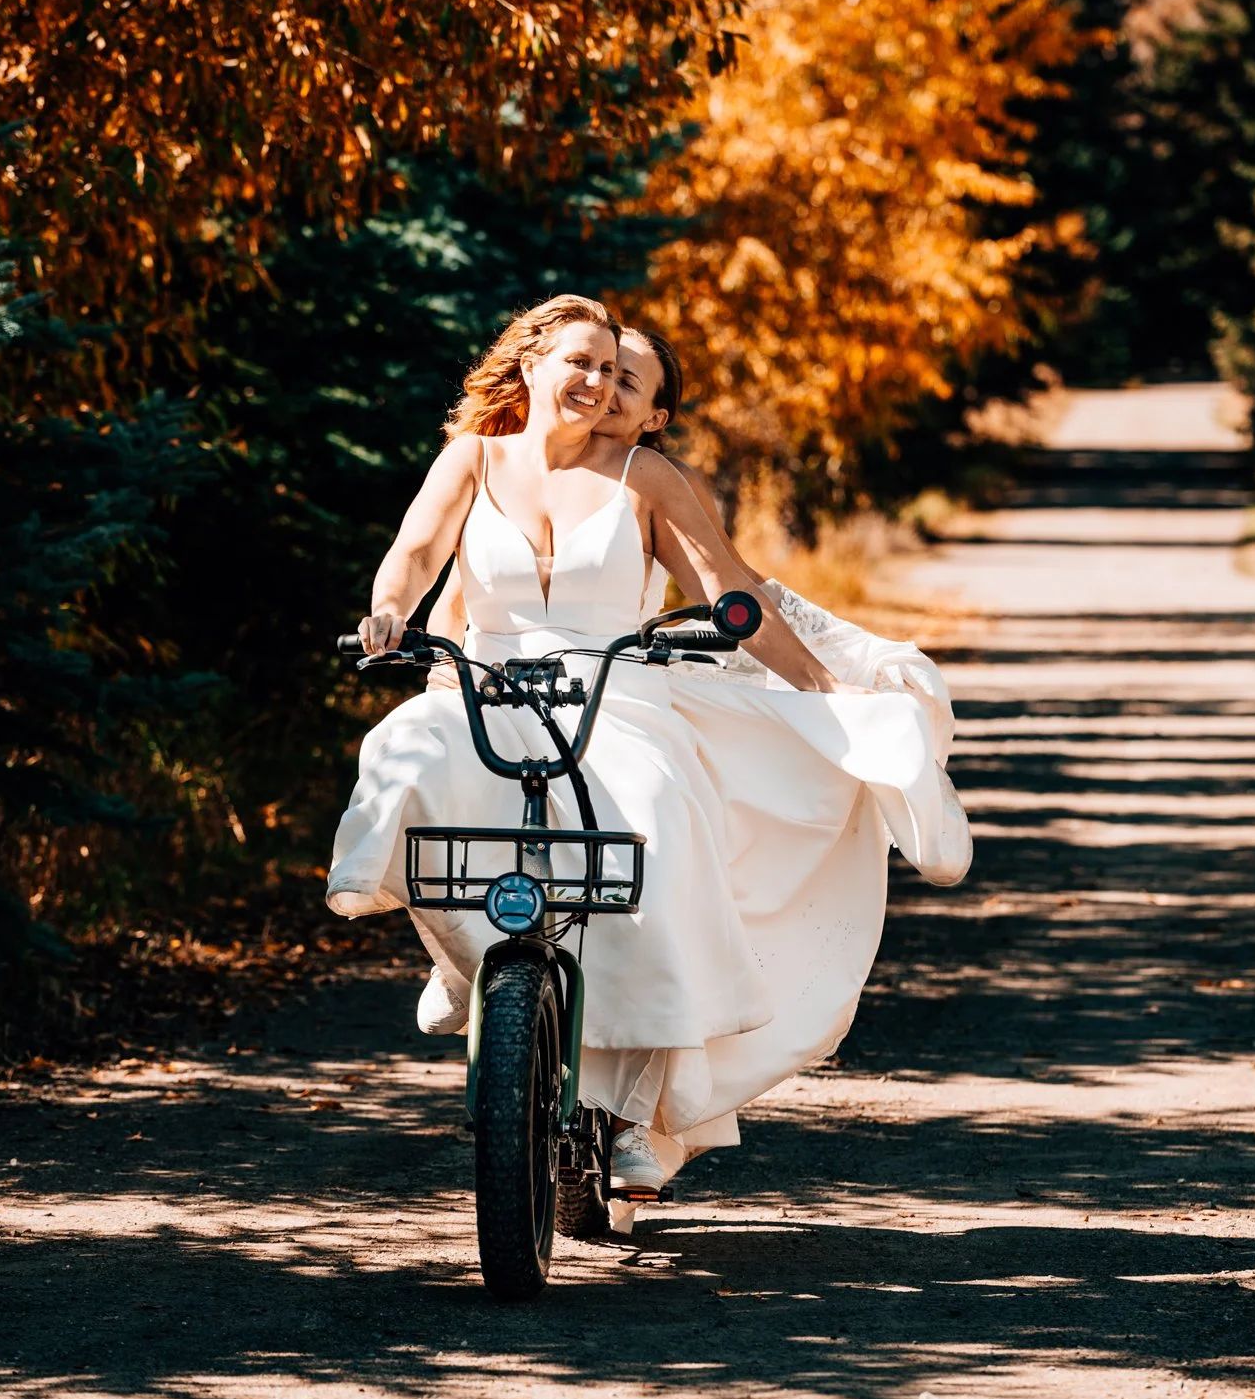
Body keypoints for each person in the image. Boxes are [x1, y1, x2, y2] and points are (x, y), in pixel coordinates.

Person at [327, 295, 969, 1195]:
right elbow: (412, 551)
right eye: (578, 364)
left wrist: (821, 686)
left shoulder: (645, 475)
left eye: (607, 369)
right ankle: (461, 958)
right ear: (530, 365)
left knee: (659, 826)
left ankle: (636, 1111)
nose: (594, 382)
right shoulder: (469, 460)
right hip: (489, 680)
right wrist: (389, 613)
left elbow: (726, 590)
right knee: (414, 748)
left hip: (614, 689)